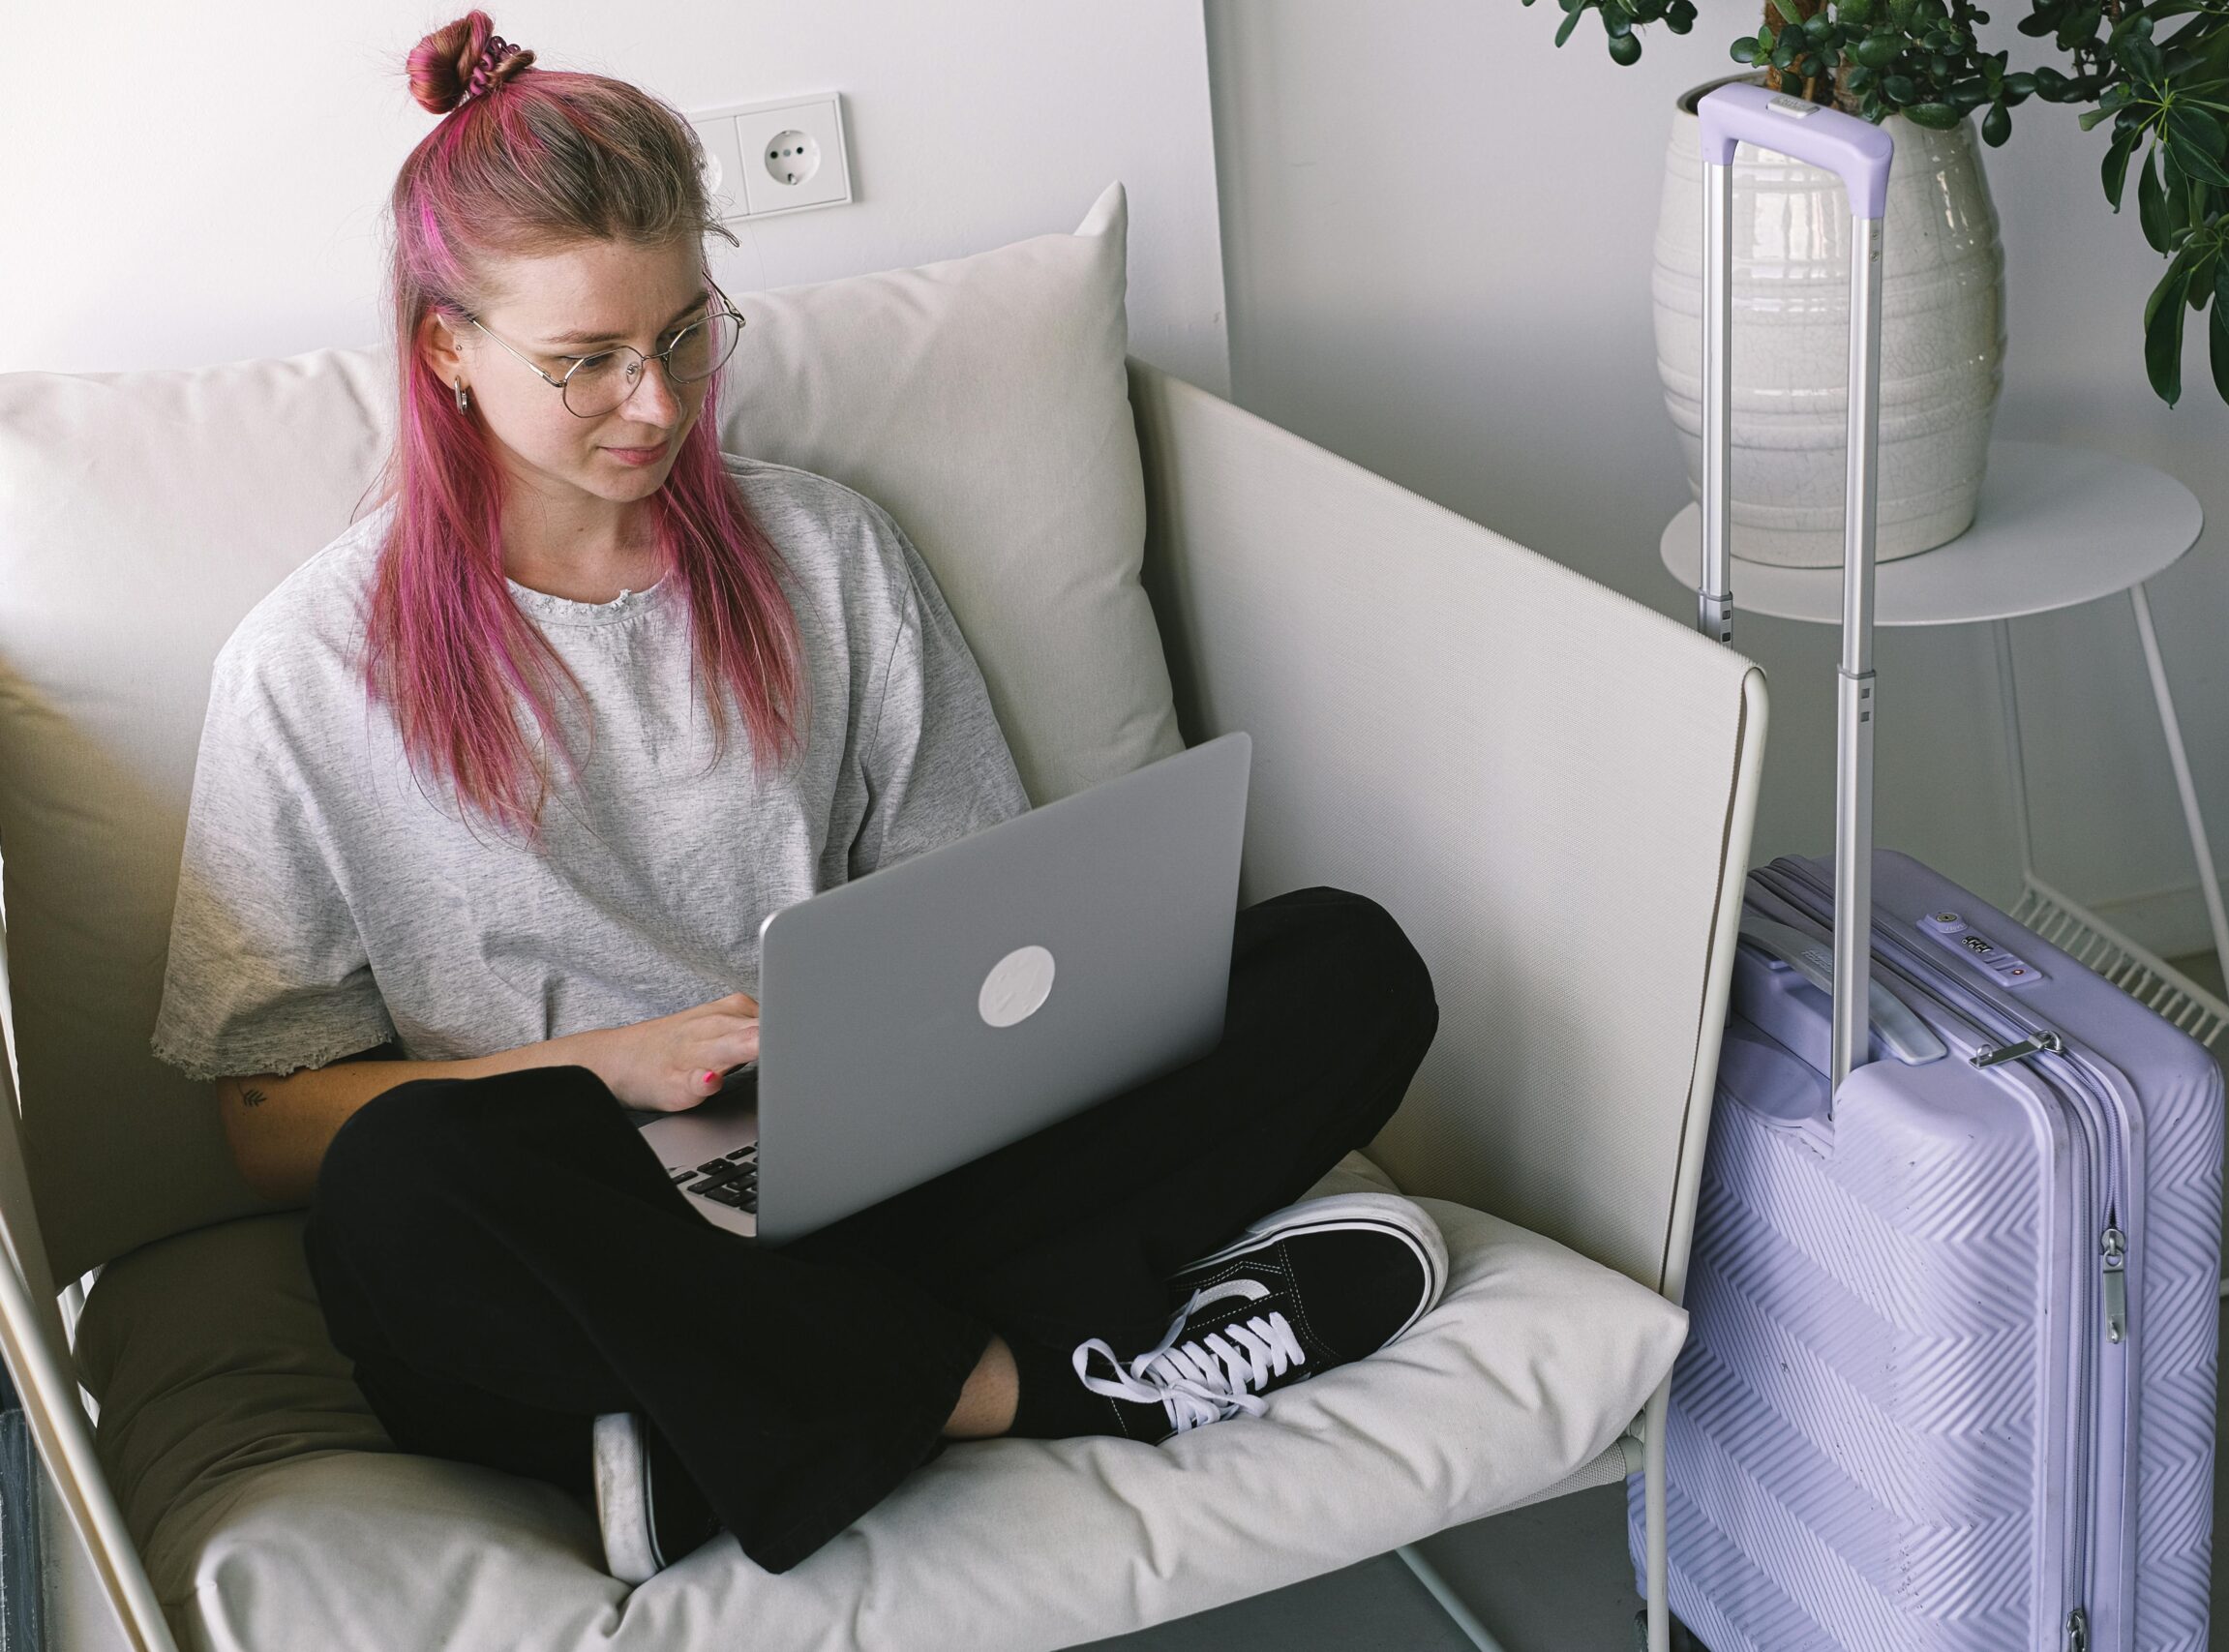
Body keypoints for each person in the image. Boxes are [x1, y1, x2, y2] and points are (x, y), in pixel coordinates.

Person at [145, 11, 1448, 1588]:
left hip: (877, 1179)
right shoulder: (306, 667)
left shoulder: (825, 555)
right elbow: (264, 1121)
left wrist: (907, 1046)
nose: (657, 403)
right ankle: (1036, 1381)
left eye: (689, 334)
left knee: (1347, 964)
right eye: (588, 364)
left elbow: (984, 926)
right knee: (399, 1188)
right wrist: (619, 1065)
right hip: (583, 1228)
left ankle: (722, 1432)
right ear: (444, 350)